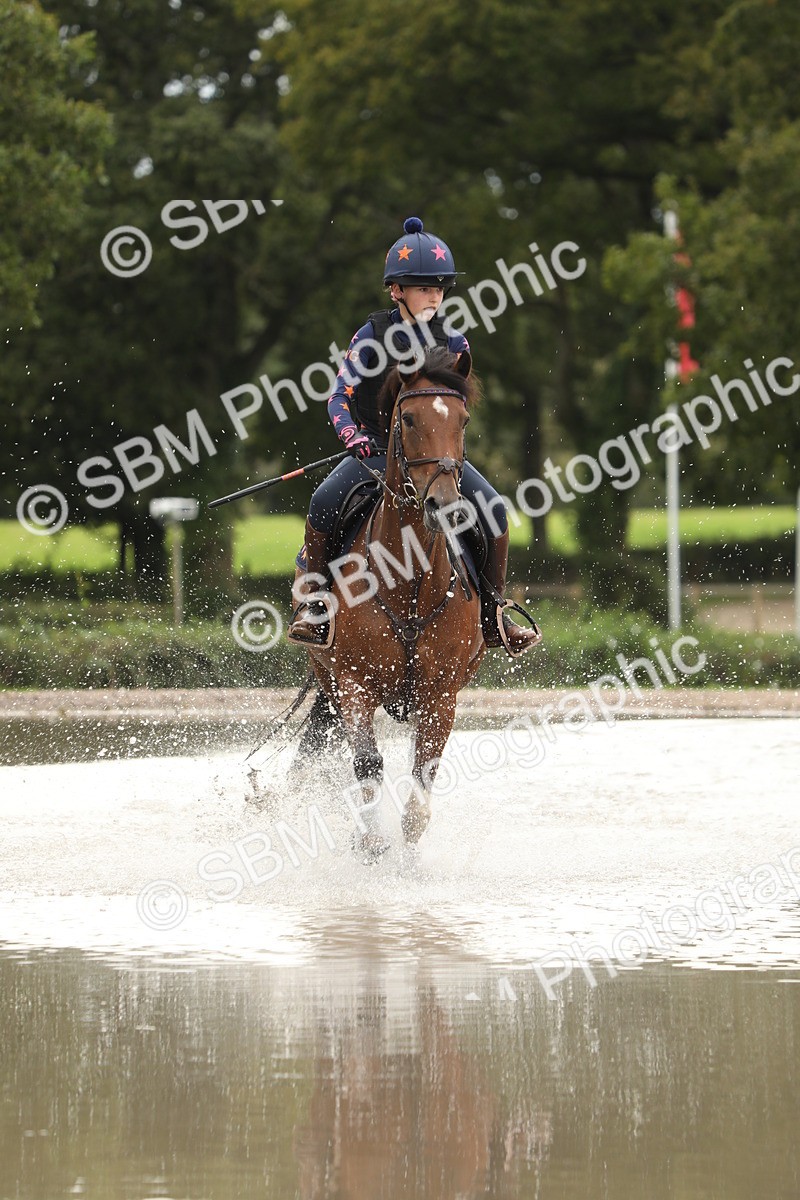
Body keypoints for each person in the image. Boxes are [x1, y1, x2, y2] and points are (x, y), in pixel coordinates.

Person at [287, 216, 541, 656]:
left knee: (495, 512)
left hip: (436, 460)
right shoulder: (371, 336)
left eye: (440, 288)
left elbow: (456, 410)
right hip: (374, 452)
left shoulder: (456, 343)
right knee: (323, 502)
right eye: (424, 287)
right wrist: (352, 437)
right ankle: (316, 608)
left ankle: (495, 611)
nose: (434, 295)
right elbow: (338, 396)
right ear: (396, 290)